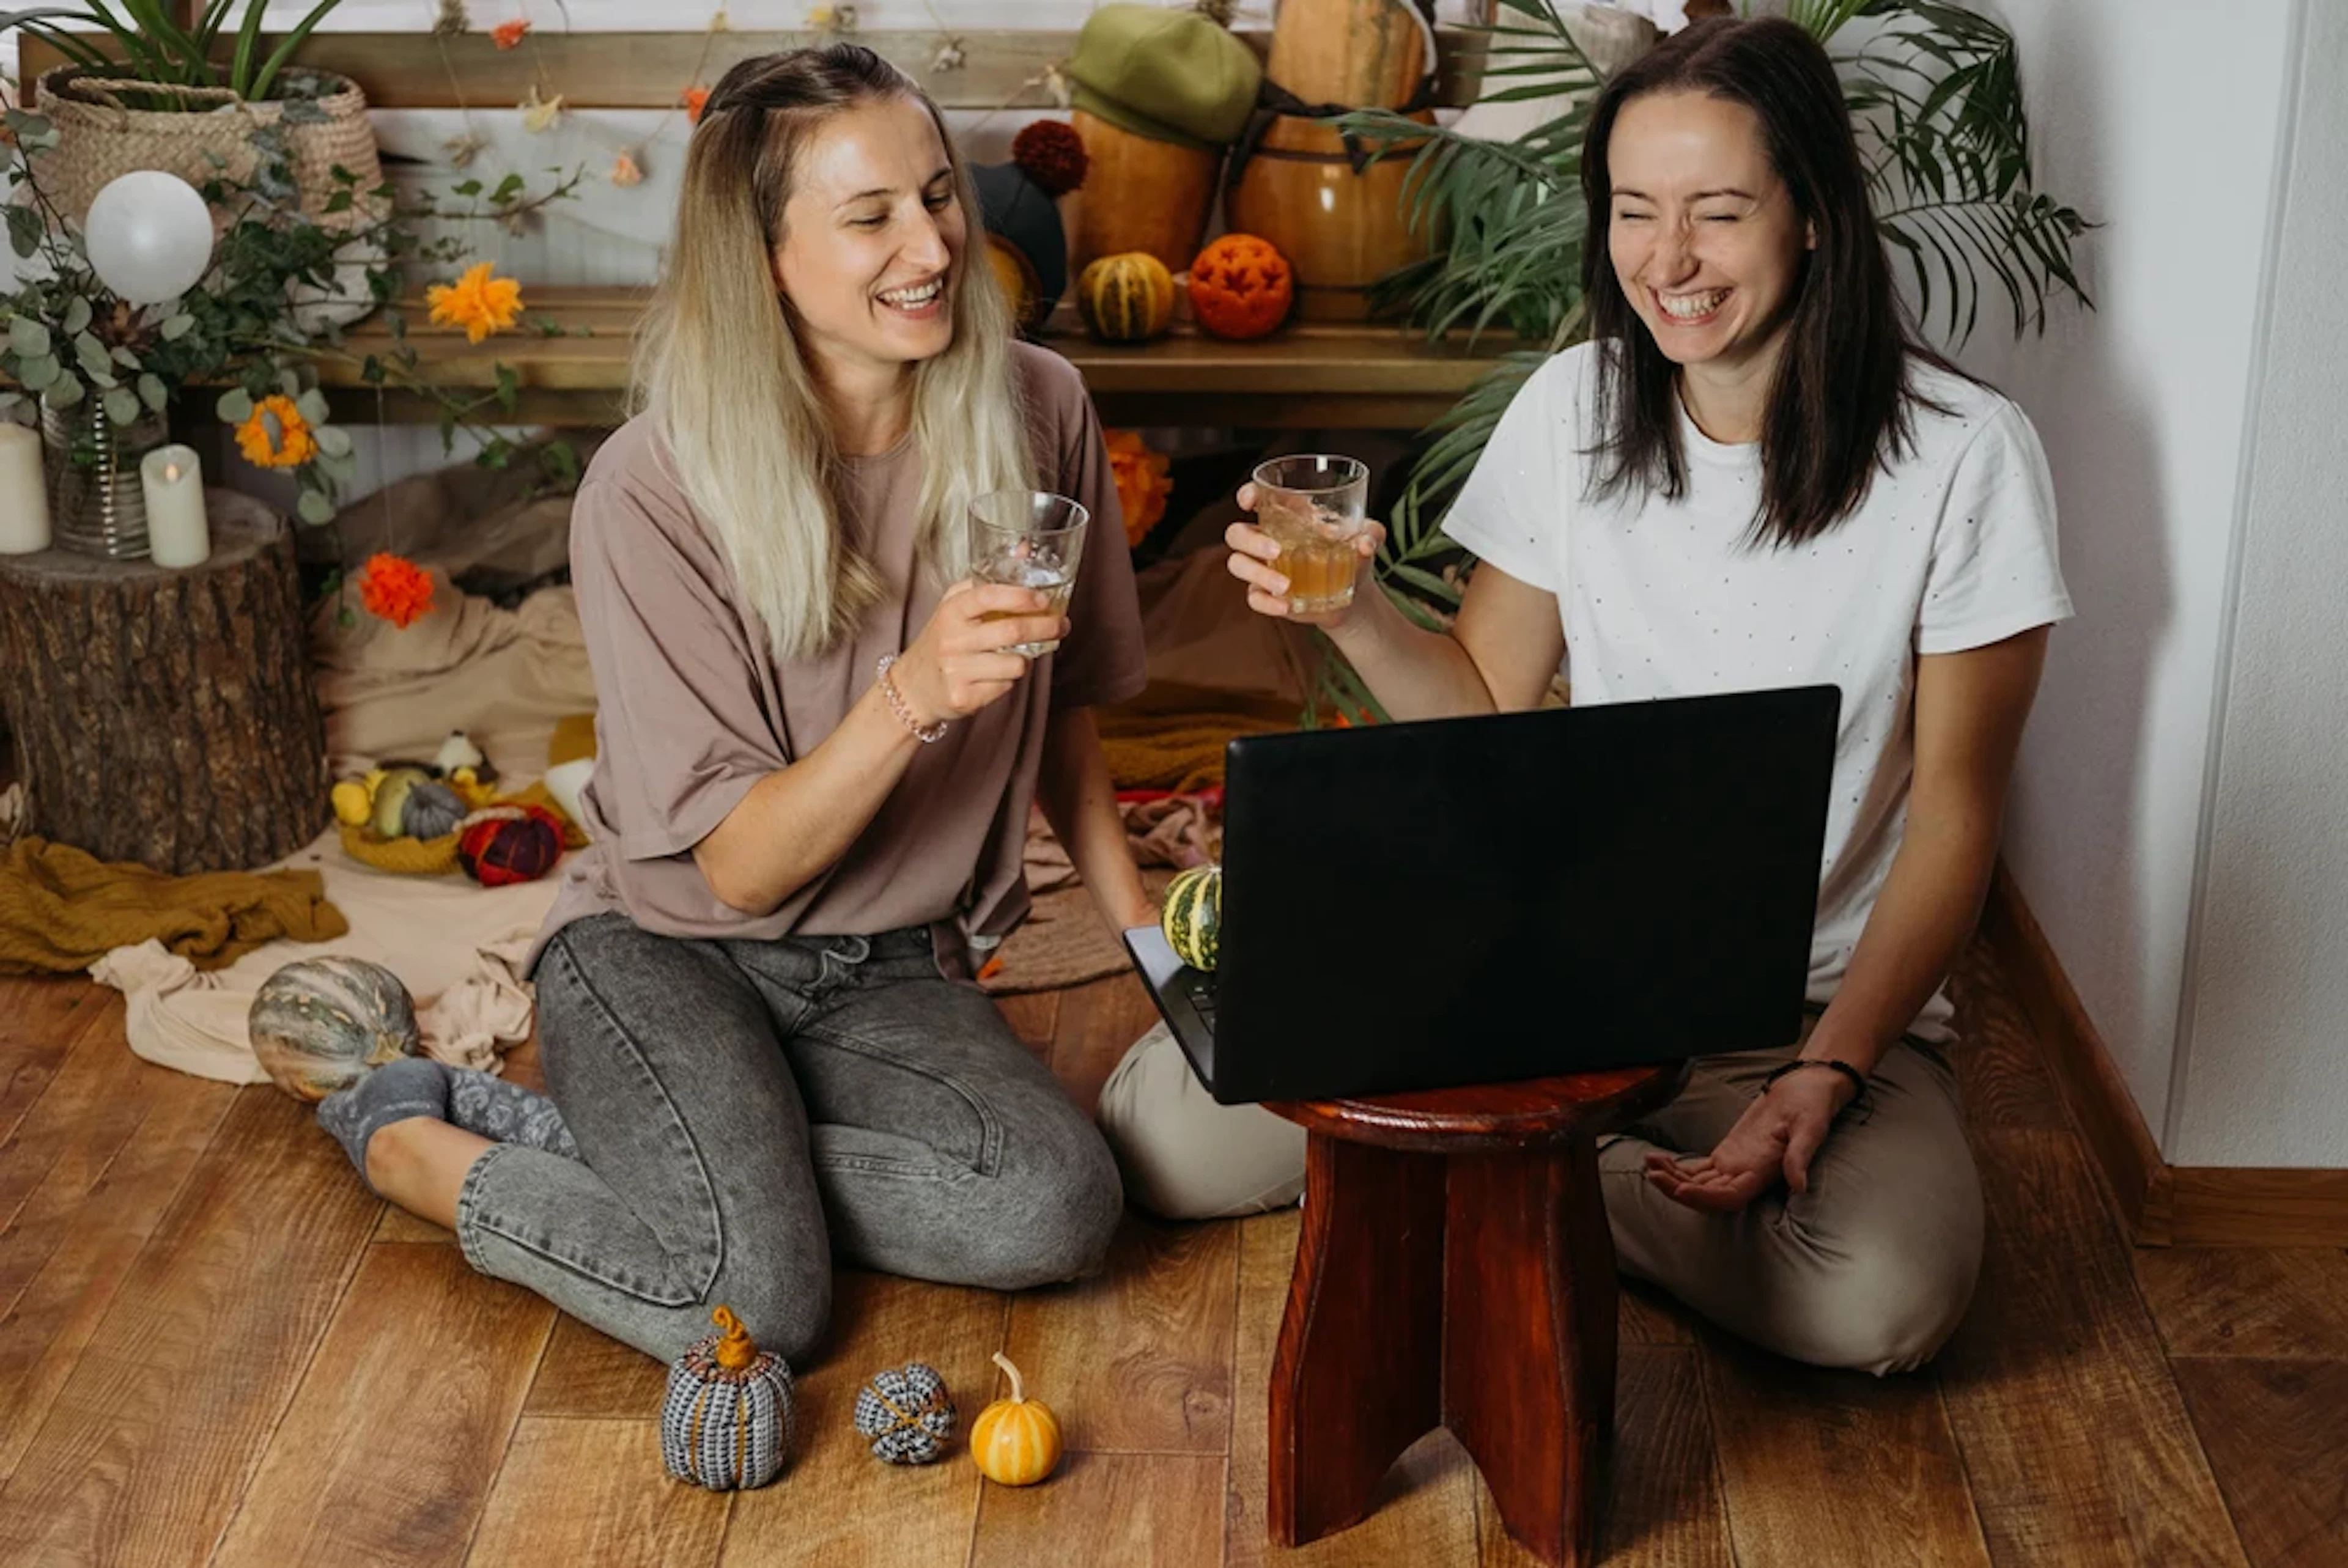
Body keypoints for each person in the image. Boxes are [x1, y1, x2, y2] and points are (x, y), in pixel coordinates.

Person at [1096, 15, 2073, 1377]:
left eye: (1718, 213)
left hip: (1799, 1012)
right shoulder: (1577, 407)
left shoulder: (1966, 460)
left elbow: (1956, 825)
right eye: (1635, 212)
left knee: (1879, 1302)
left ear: (1814, 218)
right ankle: (1555, 1173)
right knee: (1163, 1142)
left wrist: (1825, 1073)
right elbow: (1487, 708)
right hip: (1539, 965)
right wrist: (1357, 612)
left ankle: (1501, 1182)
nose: (1668, 261)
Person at [314, 45, 1153, 1364]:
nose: (929, 242)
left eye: (937, 194)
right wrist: (914, 691)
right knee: (758, 1307)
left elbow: (1071, 715)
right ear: (764, 257)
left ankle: (695, 1174)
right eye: (868, 216)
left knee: (1058, 1205)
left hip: (893, 966)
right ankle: (424, 1148)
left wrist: (1156, 949)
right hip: (664, 951)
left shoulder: (1037, 408)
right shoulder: (653, 489)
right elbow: (740, 871)